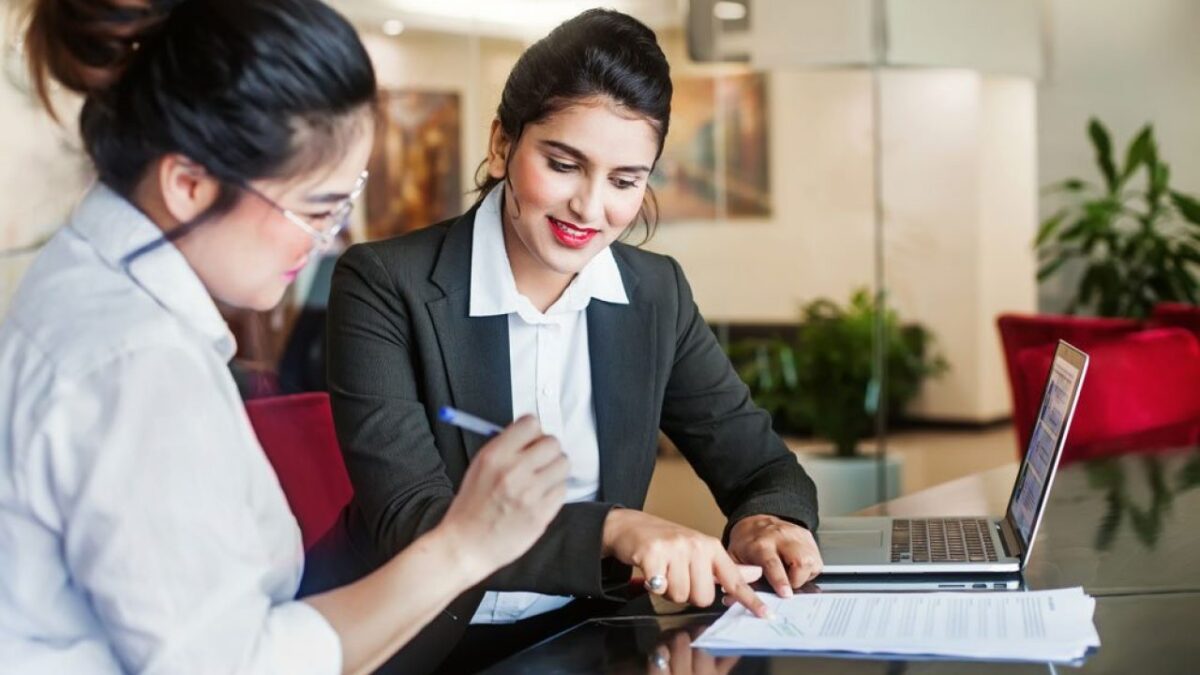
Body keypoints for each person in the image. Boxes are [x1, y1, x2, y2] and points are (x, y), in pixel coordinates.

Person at [0, 1, 568, 673]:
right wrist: (464, 546)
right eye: (315, 209)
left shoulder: (84, 281)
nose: (327, 241)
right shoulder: (137, 367)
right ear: (188, 184)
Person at [324, 8, 823, 672]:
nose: (590, 208)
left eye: (625, 181)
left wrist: (766, 521)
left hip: (586, 635)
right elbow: (415, 519)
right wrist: (617, 528)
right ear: (503, 145)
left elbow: (763, 467)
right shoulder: (386, 282)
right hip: (416, 642)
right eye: (564, 164)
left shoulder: (654, 294)